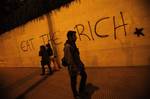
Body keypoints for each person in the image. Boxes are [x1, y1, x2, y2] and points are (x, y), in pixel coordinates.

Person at [63, 30, 87, 99]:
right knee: (73, 81)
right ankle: (75, 95)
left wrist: (81, 64)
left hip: (78, 65)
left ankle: (81, 90)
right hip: (73, 67)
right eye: (74, 36)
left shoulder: (73, 44)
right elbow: (69, 60)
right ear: (70, 37)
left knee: (84, 76)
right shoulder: (67, 46)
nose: (76, 37)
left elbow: (76, 56)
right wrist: (76, 69)